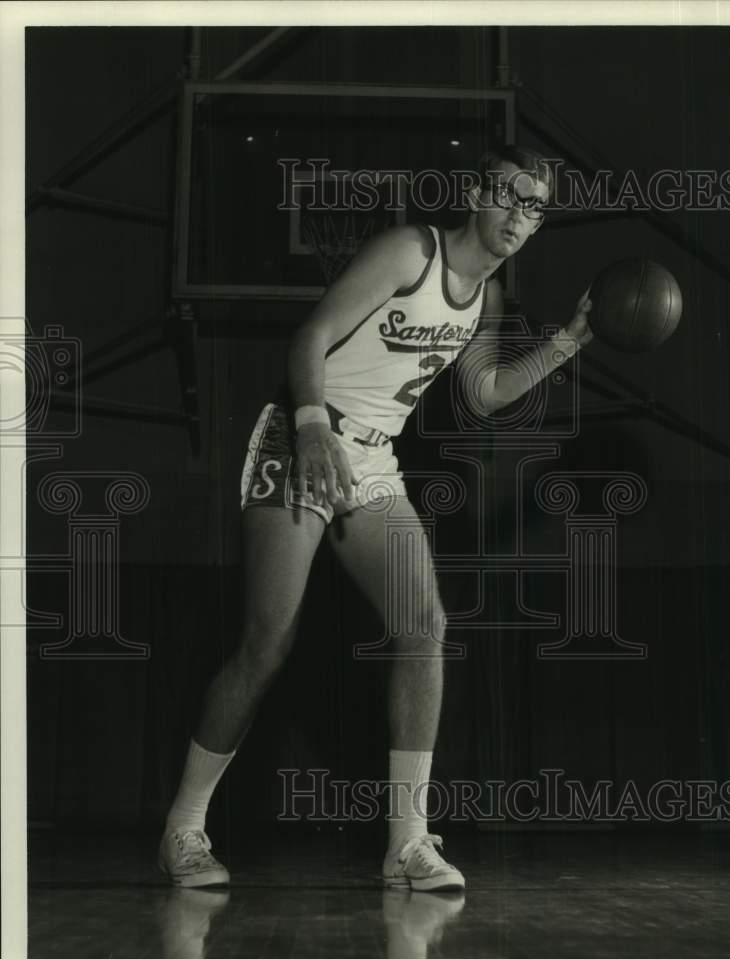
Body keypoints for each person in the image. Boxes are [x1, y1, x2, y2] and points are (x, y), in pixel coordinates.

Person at [158, 145, 594, 892]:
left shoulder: (485, 296)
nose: (521, 215)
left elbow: (486, 394)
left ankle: (406, 844)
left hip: (373, 459)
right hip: (301, 435)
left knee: (424, 626)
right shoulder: (407, 251)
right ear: (475, 193)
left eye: (536, 206)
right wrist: (309, 428)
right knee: (268, 642)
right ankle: (184, 828)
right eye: (511, 195)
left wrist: (568, 341)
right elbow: (310, 337)